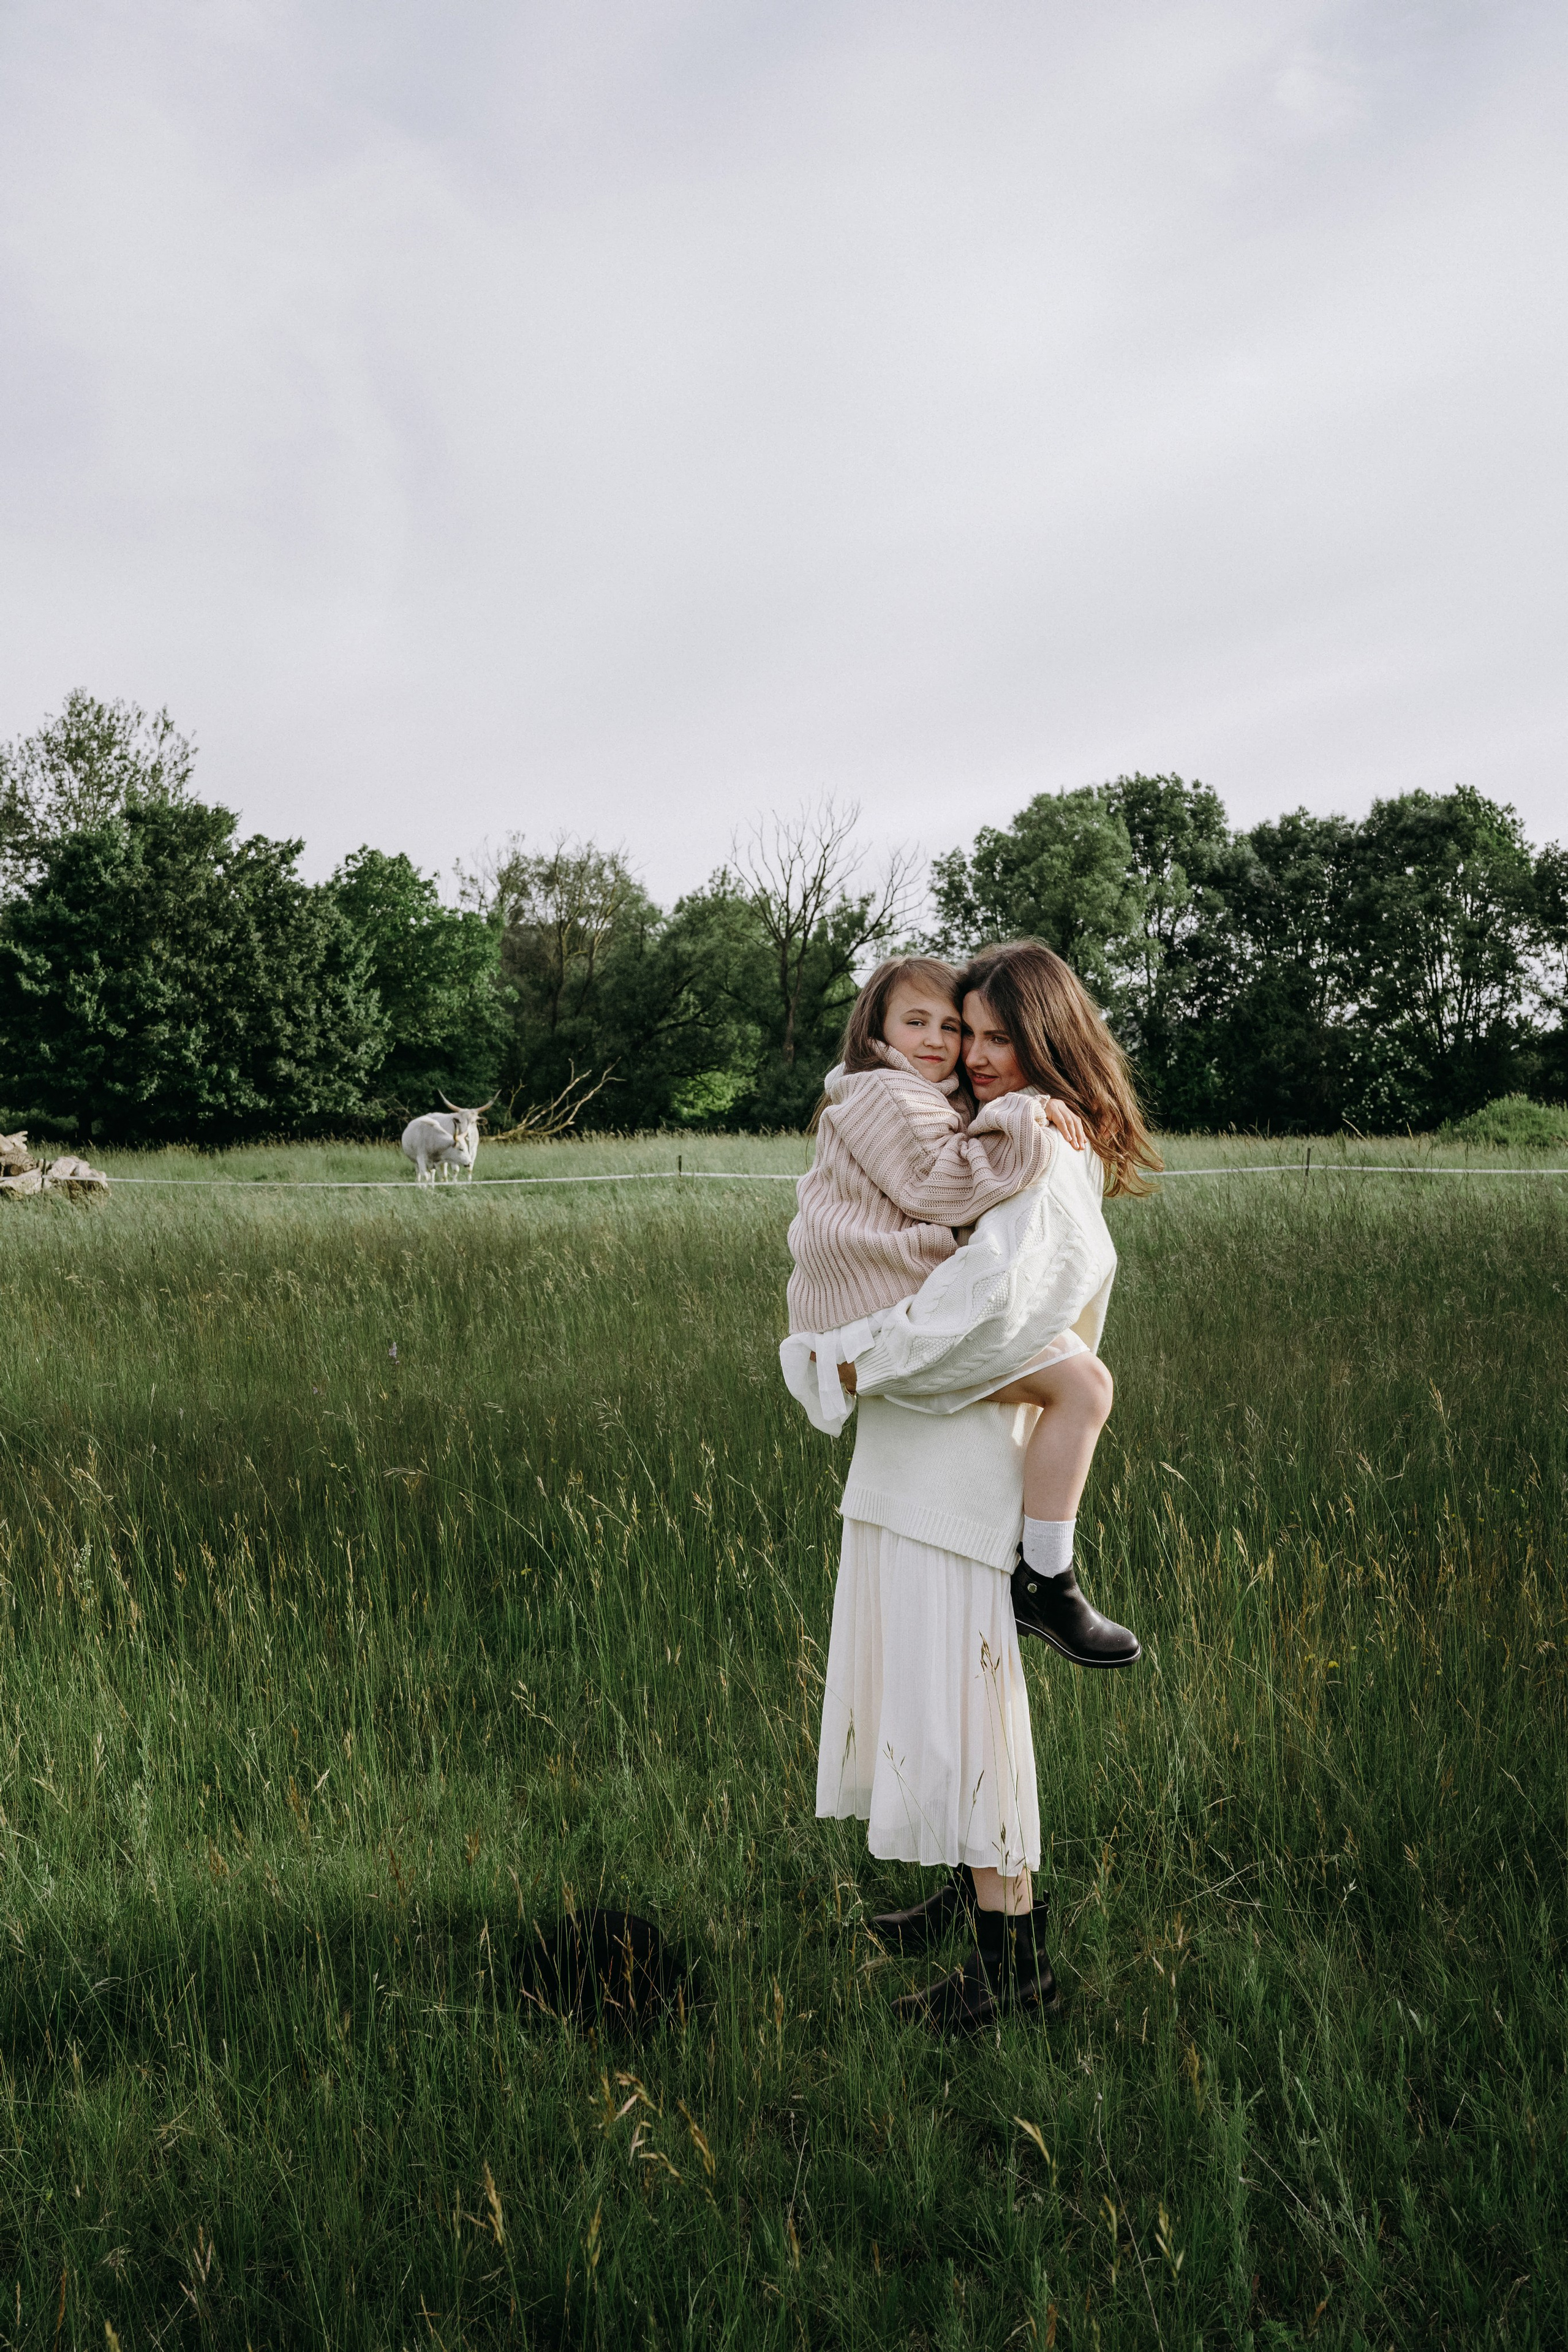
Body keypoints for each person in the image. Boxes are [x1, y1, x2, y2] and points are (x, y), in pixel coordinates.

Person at [794, 940, 1161, 2031]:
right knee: (935, 1695)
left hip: (957, 1477)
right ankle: (966, 1896)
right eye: (969, 1032)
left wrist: (848, 1358)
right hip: (915, 1467)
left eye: (1000, 1036)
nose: (979, 1056)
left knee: (974, 1711)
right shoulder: (967, 1129)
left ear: (1049, 1037)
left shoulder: (1041, 1147)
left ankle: (1017, 1970)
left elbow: (986, 1320)